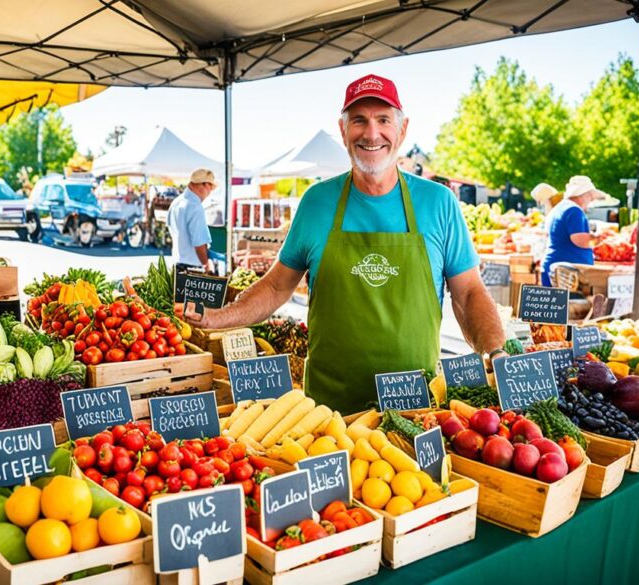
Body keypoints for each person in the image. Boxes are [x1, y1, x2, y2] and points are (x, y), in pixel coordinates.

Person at [180, 73, 507, 414]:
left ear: (403, 129)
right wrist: (218, 317)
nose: (371, 133)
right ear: (343, 130)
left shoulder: (438, 203)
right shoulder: (317, 201)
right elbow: (277, 287)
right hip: (327, 411)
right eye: (359, 121)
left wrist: (495, 351)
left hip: (416, 406)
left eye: (383, 120)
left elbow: (468, 293)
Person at [541, 176, 601, 287]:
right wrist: (598, 238)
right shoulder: (574, 210)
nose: (590, 201)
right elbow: (580, 241)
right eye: (590, 197)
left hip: (557, 271)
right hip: (565, 276)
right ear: (584, 195)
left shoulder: (560, 208)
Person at [168, 168, 216, 273]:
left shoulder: (176, 202)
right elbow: (199, 243)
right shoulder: (195, 207)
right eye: (211, 188)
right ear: (206, 185)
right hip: (191, 268)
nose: (209, 193)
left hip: (177, 263)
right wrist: (206, 264)